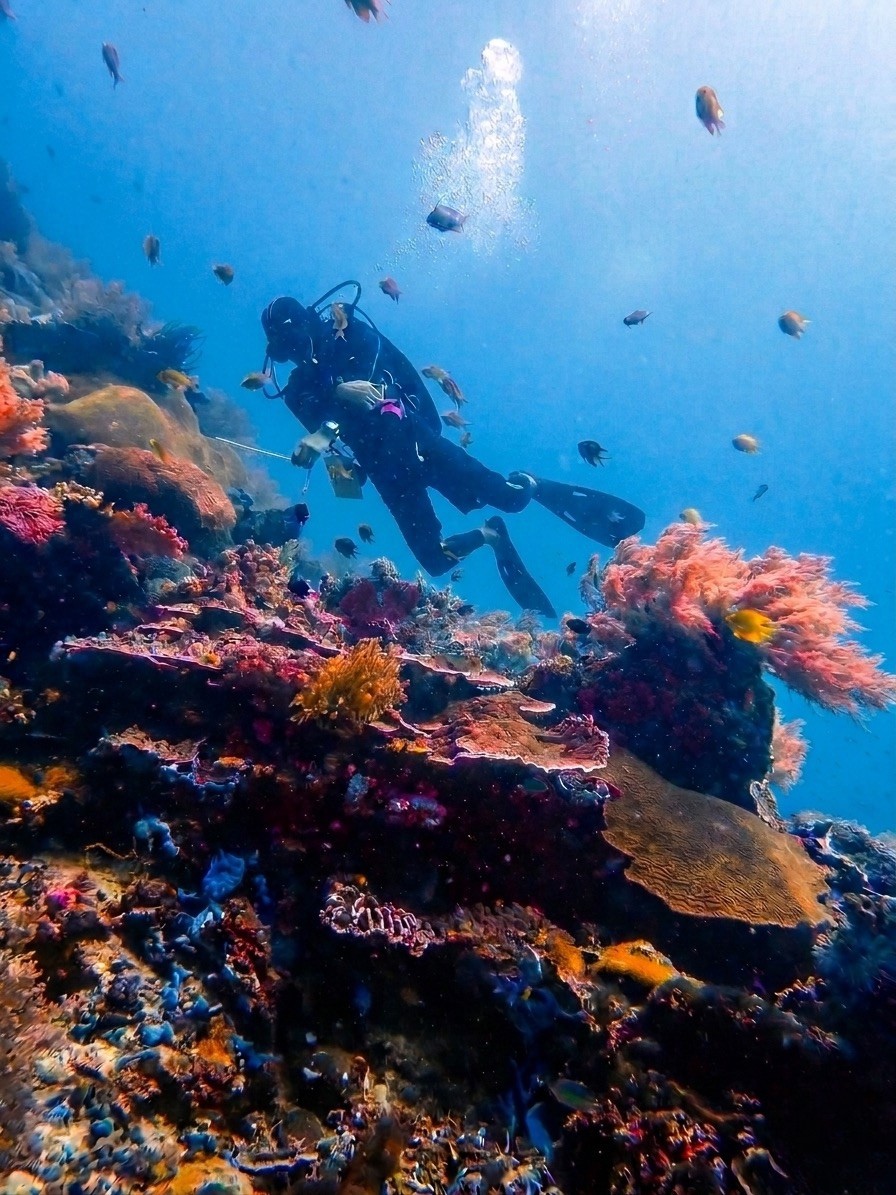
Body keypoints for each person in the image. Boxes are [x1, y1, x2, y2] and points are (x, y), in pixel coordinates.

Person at [260, 282, 645, 617]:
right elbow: (330, 434)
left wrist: (339, 399)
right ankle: (492, 536)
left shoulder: (351, 333)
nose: (293, 352)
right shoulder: (297, 391)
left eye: (293, 341)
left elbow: (382, 387)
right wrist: (325, 449)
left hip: (414, 440)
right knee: (435, 561)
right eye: (283, 349)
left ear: (309, 324)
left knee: (511, 500)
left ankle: (530, 483)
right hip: (382, 470)